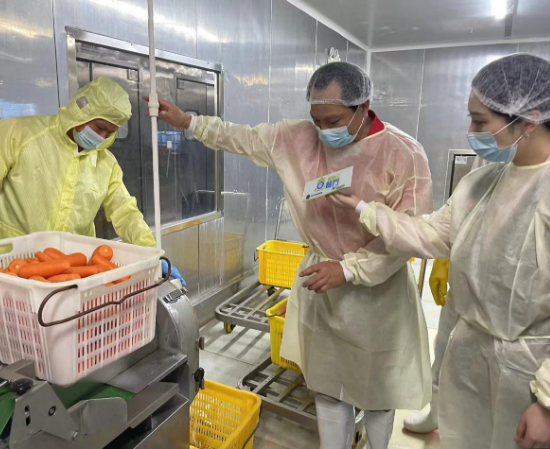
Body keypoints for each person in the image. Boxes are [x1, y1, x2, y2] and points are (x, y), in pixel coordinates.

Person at [153, 62, 433, 449]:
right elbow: (241, 137)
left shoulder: (404, 154)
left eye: (333, 120)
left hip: (378, 294)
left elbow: (407, 234)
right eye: (317, 120)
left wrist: (349, 269)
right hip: (322, 287)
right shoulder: (297, 139)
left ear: (364, 107)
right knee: (328, 386)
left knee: (378, 391)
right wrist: (188, 121)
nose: (323, 130)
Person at [328, 53, 550, 449]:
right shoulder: (482, 181)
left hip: (530, 371)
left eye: (480, 122)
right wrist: (365, 209)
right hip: (470, 353)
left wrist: (549, 402)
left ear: (530, 119)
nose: (471, 132)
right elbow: (432, 234)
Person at [0, 77, 184, 285]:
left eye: (110, 133)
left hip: (73, 277)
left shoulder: (106, 164)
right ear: (81, 110)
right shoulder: (19, 134)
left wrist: (152, 254)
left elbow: (126, 212)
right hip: (10, 267)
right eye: (100, 128)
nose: (102, 138)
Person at [404, 157, 491, 434]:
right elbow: (466, 207)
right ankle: (437, 412)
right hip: (464, 281)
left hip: (508, 304)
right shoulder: (489, 158)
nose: (476, 136)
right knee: (443, 348)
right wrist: (444, 259)